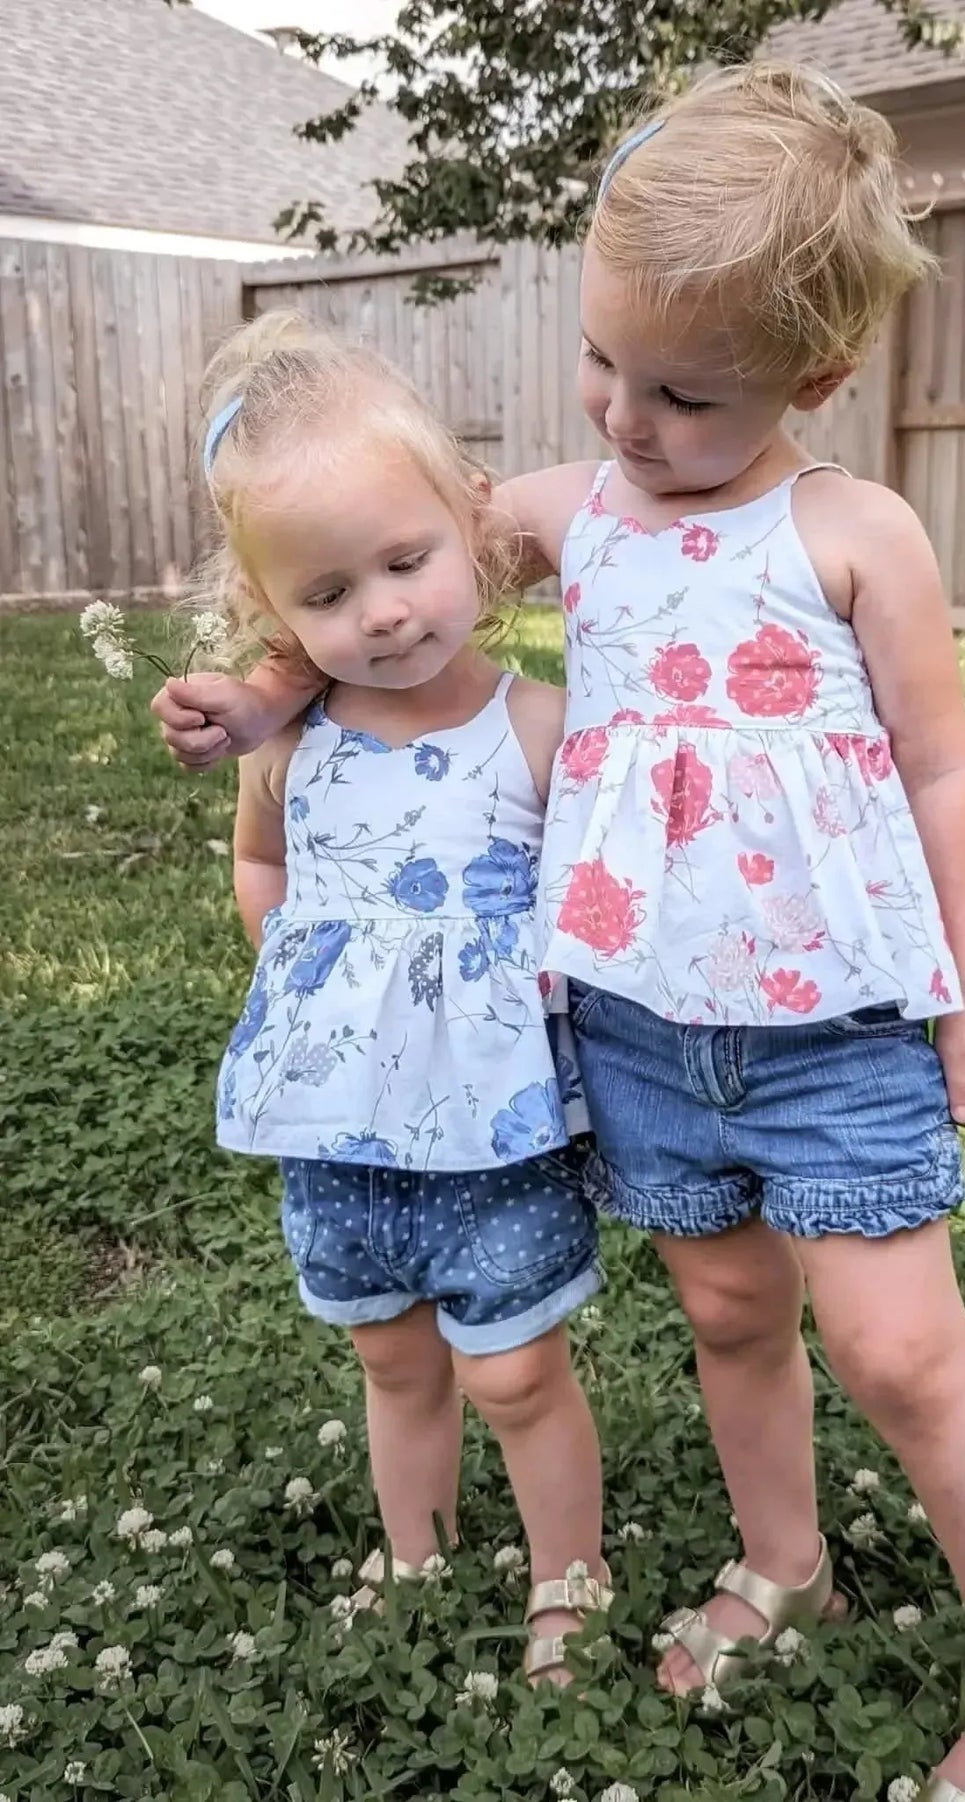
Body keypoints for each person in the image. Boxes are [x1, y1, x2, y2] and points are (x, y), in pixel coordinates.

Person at [154, 62, 965, 1801]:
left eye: (679, 391)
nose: (620, 414)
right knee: (734, 1315)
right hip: (640, 1031)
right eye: (603, 364)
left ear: (815, 378)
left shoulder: (852, 533)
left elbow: (944, 766)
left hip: (830, 1034)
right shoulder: (570, 515)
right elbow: (400, 570)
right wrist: (262, 692)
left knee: (903, 1350)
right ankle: (786, 1560)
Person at [192, 310, 611, 1683]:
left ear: (472, 533)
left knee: (515, 1372)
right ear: (273, 617)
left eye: (404, 560)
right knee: (392, 1361)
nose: (376, 610)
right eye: (324, 594)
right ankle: (417, 1556)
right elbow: (265, 863)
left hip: (492, 1130)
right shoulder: (293, 743)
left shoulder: (537, 725)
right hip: (341, 1130)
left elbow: (592, 906)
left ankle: (568, 1582)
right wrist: (299, 983)